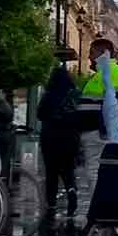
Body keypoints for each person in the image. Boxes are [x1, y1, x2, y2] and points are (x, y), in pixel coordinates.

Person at [73, 37, 118, 214]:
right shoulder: (103, 73)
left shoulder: (112, 72)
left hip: (99, 131)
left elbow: (113, 104)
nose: (89, 57)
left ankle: (98, 212)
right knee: (96, 171)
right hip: (96, 130)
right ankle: (101, 211)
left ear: (103, 53)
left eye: (92, 53)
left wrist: (103, 128)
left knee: (94, 171)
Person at [37, 52, 83, 222]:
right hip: (70, 136)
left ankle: (51, 204)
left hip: (50, 136)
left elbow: (40, 114)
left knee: (52, 172)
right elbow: (80, 116)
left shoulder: (49, 95)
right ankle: (71, 190)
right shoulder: (75, 94)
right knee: (68, 169)